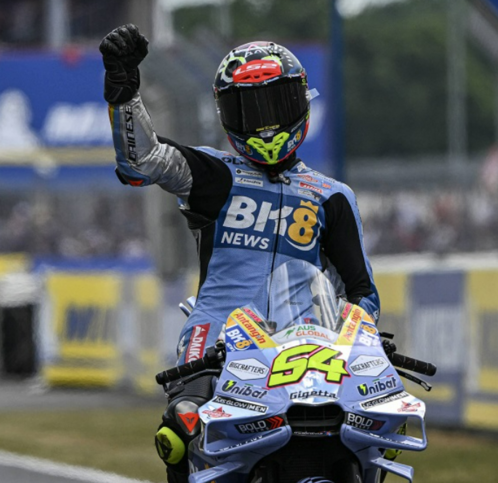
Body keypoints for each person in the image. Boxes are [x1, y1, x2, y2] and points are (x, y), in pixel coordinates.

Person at [99, 24, 380, 483]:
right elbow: (140, 161)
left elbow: (362, 291)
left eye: (277, 104)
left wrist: (356, 337)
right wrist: (124, 91)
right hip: (215, 342)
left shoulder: (333, 196)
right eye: (248, 109)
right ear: (224, 114)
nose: (265, 124)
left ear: (302, 102)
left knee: (368, 434)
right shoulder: (213, 173)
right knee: (181, 428)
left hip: (306, 353)